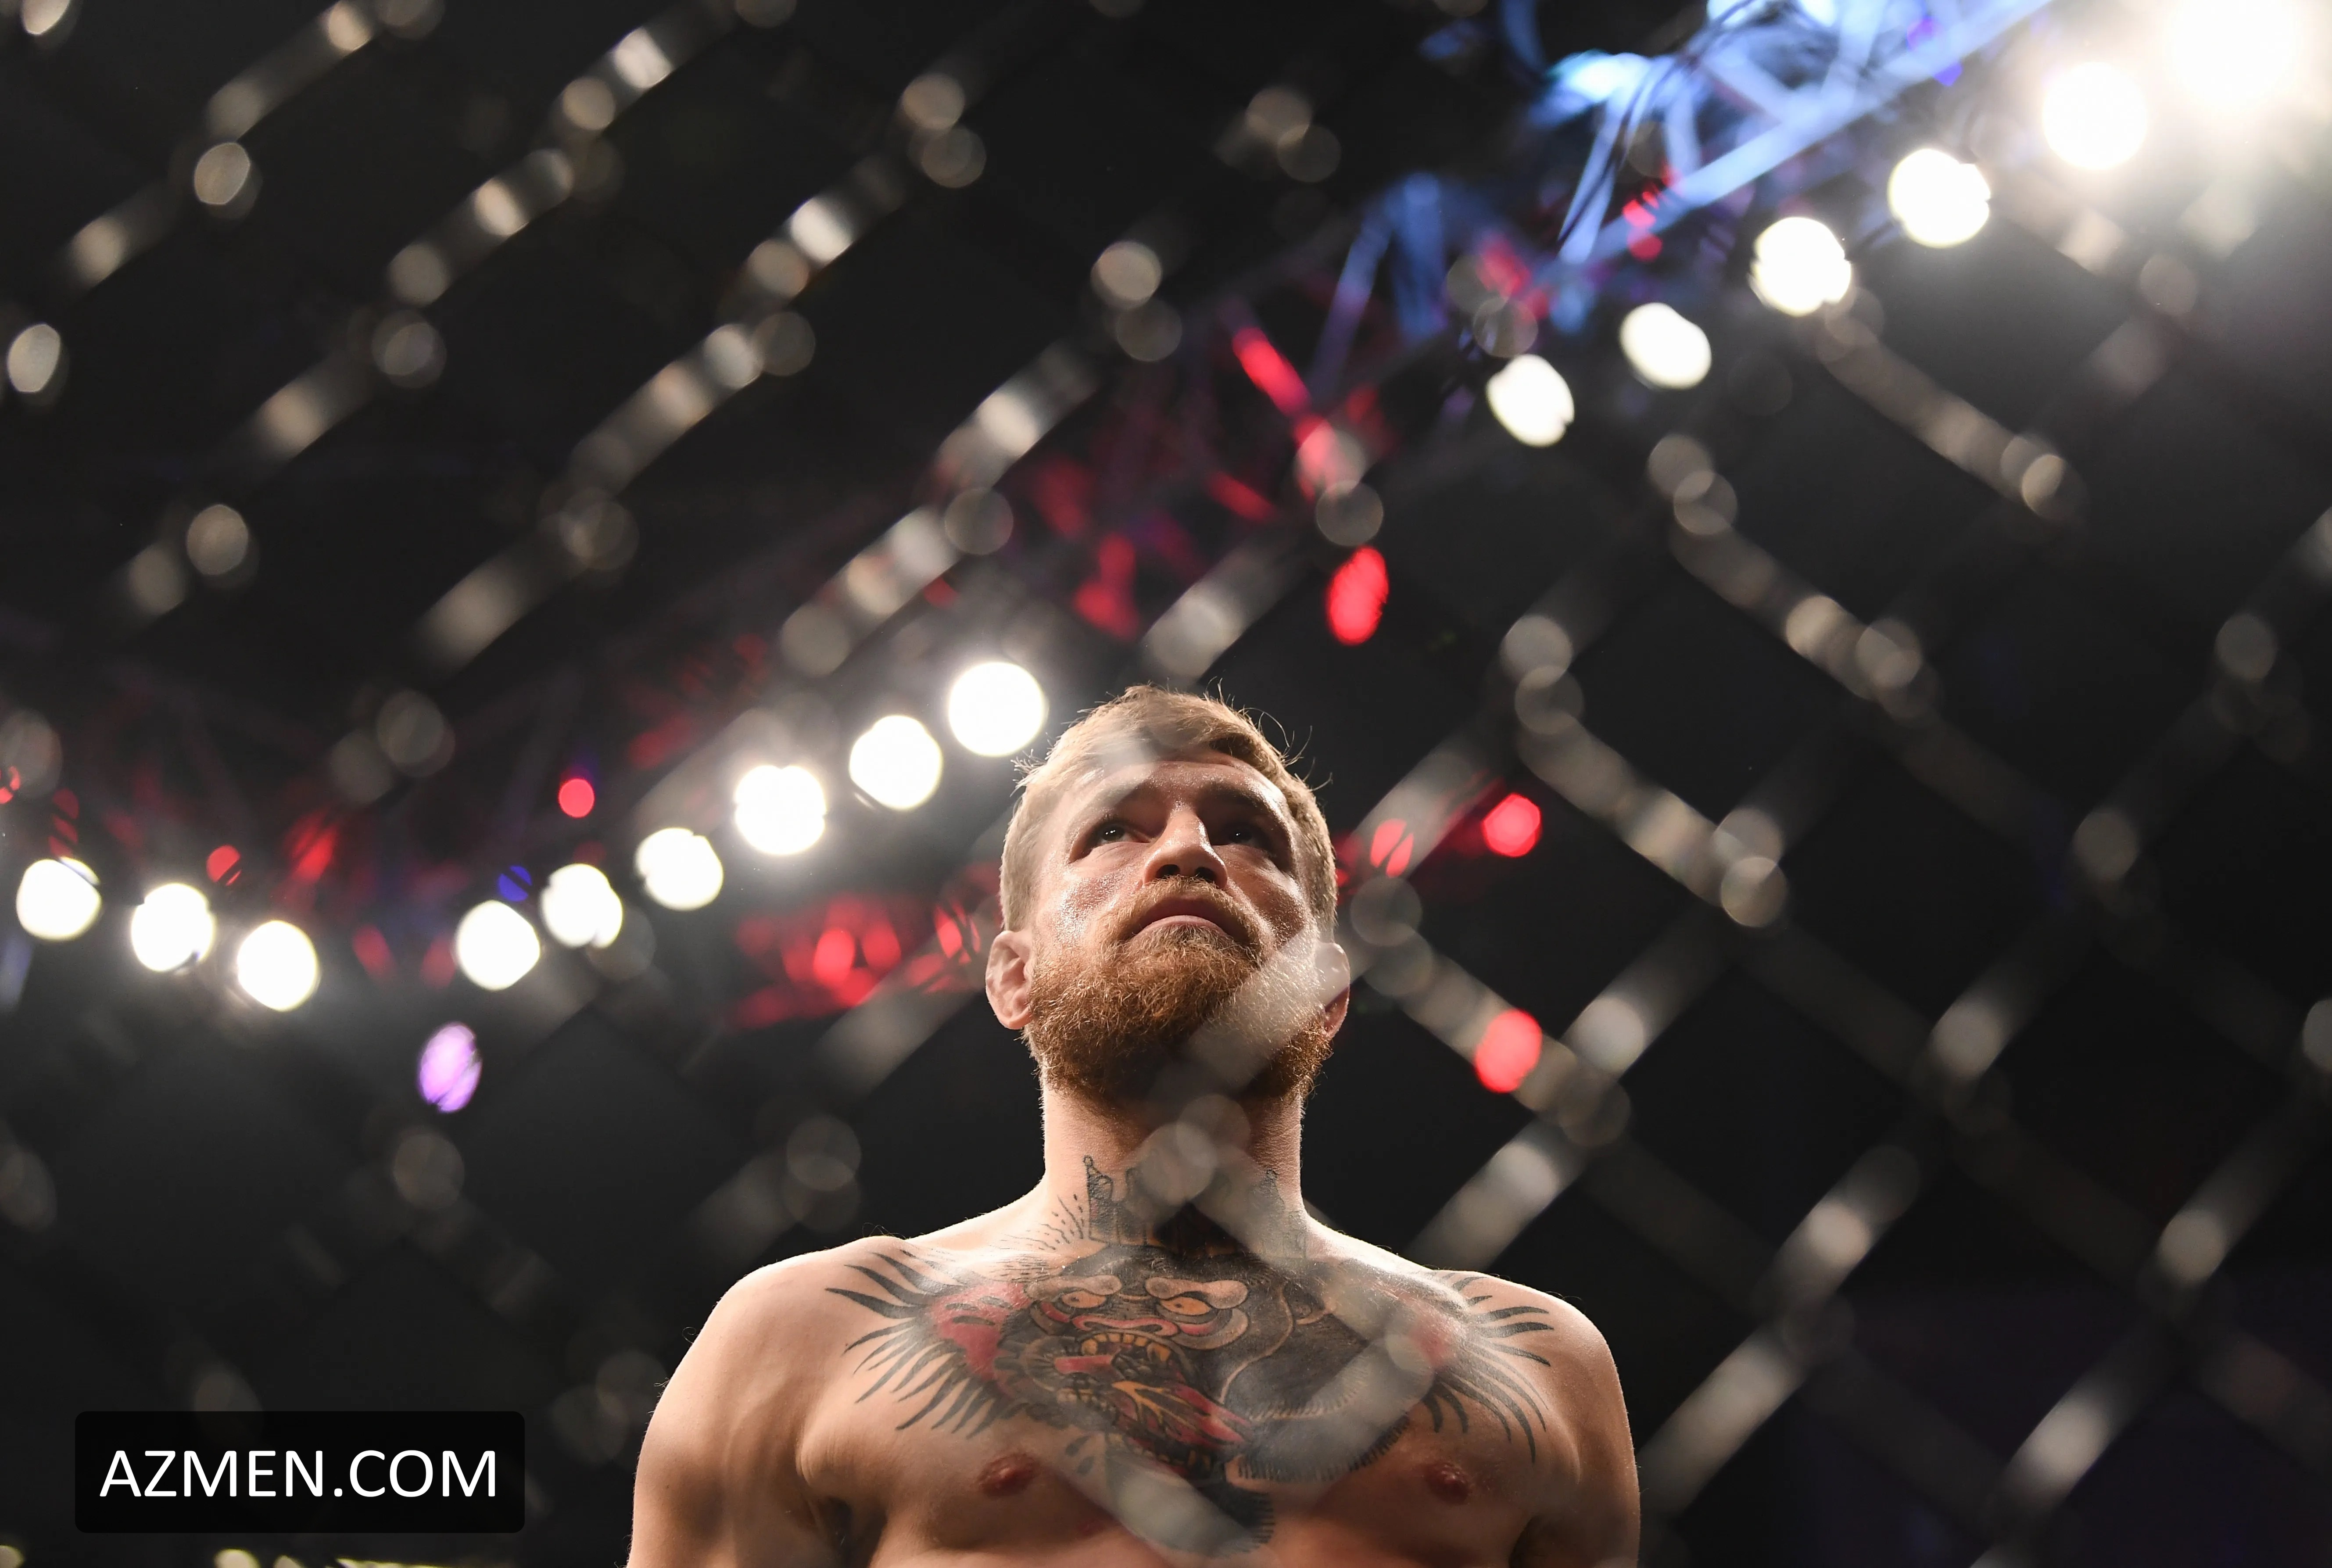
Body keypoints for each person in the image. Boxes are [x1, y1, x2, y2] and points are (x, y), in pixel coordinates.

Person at [627, 687, 1637, 1566]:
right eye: (1114, 830)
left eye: (1247, 833)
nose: (1188, 848)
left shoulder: (1537, 1361)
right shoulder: (807, 1335)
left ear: (1329, 990)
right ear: (1014, 975)